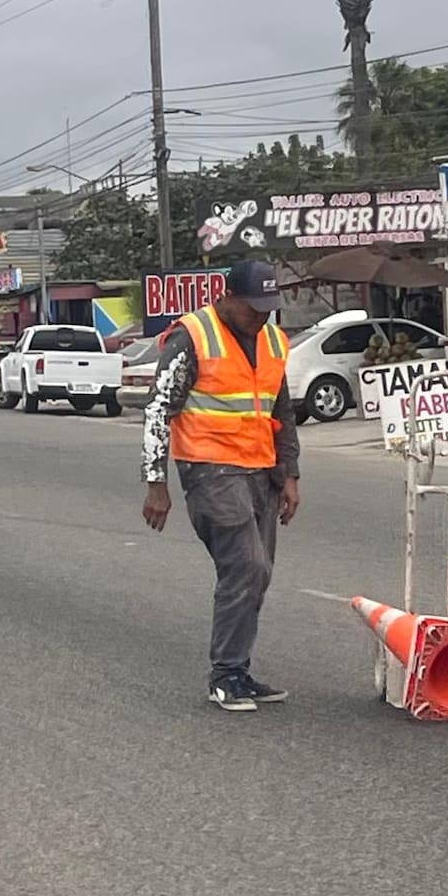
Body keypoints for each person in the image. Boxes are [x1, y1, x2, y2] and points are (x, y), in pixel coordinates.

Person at [141, 260, 301, 712]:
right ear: (226, 297)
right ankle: (225, 675)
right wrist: (156, 482)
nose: (261, 318)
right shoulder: (191, 336)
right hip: (210, 468)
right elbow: (158, 410)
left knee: (257, 574)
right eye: (253, 308)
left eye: (269, 309)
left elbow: (281, 411)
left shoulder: (273, 340)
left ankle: (239, 671)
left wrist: (290, 473)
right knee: (246, 565)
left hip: (261, 471)